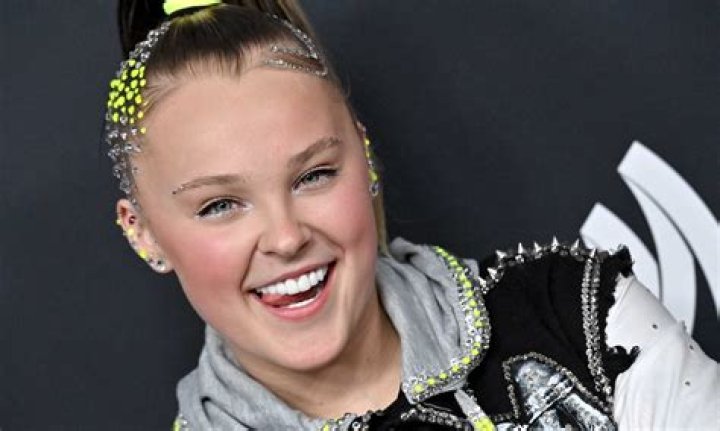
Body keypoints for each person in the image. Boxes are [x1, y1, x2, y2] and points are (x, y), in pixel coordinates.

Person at [104, 1, 719, 429]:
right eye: (220, 205)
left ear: (364, 154)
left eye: (314, 175)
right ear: (143, 232)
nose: (286, 237)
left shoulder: (582, 316)